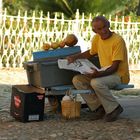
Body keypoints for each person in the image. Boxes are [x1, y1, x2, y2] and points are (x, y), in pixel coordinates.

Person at [66, 16, 130, 122]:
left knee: (96, 82)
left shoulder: (118, 40)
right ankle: (99, 108)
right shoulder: (96, 38)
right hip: (103, 73)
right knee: (77, 80)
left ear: (109, 24)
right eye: (99, 29)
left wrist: (97, 75)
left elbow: (114, 68)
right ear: (94, 31)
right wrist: (74, 57)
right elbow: (91, 53)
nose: (104, 30)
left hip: (119, 75)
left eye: (105, 26)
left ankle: (114, 108)